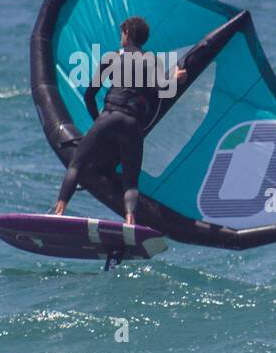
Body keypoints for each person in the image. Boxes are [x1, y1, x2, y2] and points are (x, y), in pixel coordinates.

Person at [52, 16, 184, 224]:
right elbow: (163, 89)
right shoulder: (151, 60)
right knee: (130, 182)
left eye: (122, 33)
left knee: (77, 164)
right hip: (132, 124)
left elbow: (90, 94)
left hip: (110, 115)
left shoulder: (112, 57)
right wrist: (176, 77)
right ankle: (130, 220)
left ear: (127, 34)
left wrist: (98, 121)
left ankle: (59, 211)